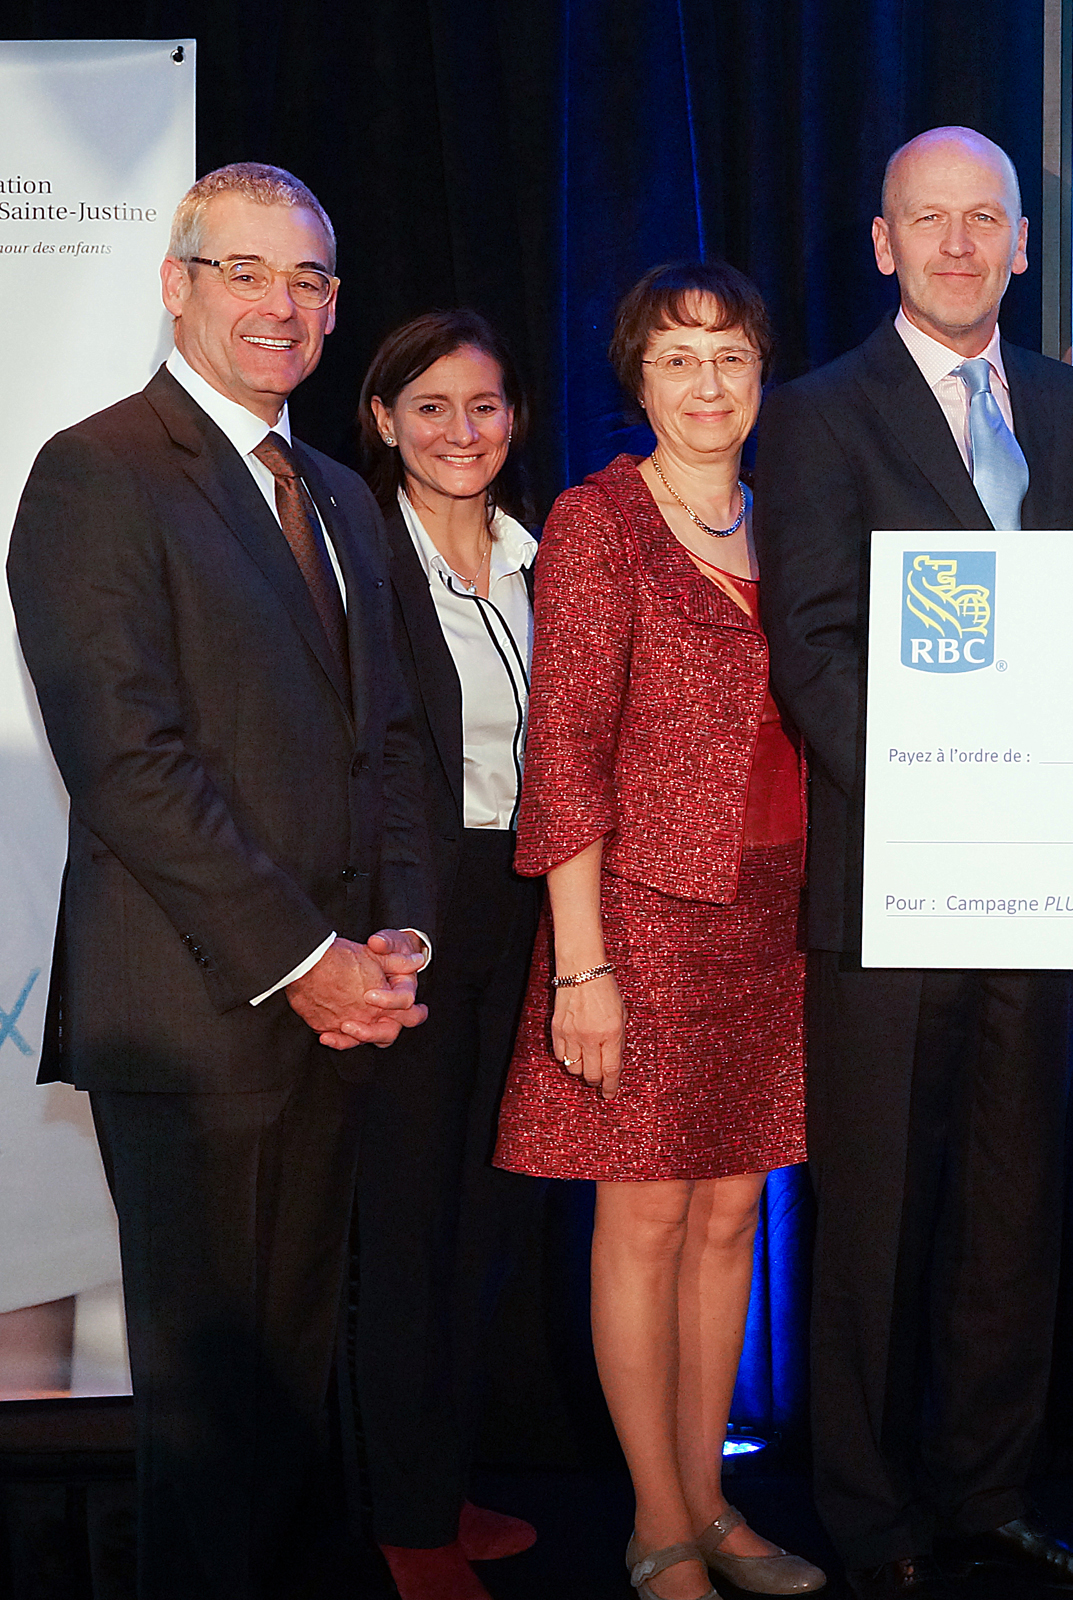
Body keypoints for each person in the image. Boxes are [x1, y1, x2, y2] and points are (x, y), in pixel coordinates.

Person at [6, 161, 434, 1600]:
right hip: (196, 1019)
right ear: (177, 285)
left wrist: (394, 935)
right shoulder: (97, 470)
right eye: (244, 271)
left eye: (308, 278)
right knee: (209, 1428)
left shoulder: (340, 494)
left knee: (291, 1395)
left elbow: (389, 737)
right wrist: (309, 960)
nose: (280, 304)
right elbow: (127, 763)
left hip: (340, 1011)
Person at [751, 127, 1073, 1600]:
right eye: (932, 220)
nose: (962, 244)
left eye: (988, 219)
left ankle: (988, 1496)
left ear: (1025, 244)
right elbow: (813, 649)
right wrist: (950, 800)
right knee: (871, 1219)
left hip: (1044, 883)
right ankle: (871, 1520)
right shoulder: (816, 414)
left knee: (1011, 1205)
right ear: (884, 243)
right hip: (893, 879)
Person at [492, 262, 821, 1600]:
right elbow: (565, 753)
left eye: (730, 356)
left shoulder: (788, 515)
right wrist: (583, 965)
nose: (707, 383)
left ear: (761, 374)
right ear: (638, 379)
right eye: (678, 359)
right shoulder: (599, 522)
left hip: (779, 912)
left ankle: (712, 1502)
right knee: (643, 1221)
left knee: (734, 1214)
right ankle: (656, 1525)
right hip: (640, 915)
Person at [347, 309, 546, 1600]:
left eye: (483, 405)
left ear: (513, 417)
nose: (460, 431)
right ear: (383, 419)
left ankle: (443, 1479)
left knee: (490, 1215)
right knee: (409, 1219)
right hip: (413, 910)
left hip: (534, 902)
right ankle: (403, 1515)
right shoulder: (359, 553)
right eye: (430, 406)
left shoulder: (543, 554)